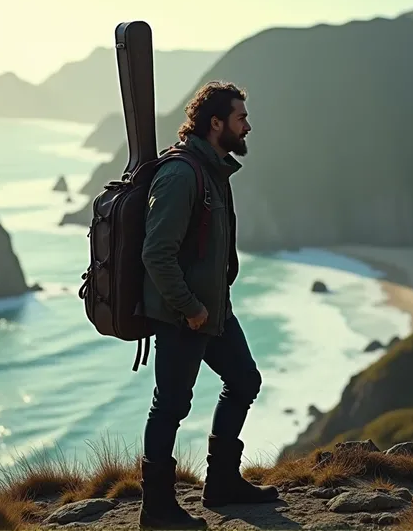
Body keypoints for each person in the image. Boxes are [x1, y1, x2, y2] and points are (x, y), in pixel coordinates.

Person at [138, 81, 279, 529]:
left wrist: (211, 306)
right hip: (185, 317)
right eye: (241, 118)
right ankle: (156, 509)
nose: (248, 126)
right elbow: (155, 253)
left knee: (244, 381)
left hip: (214, 311)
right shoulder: (182, 175)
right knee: (171, 405)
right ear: (215, 123)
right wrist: (191, 307)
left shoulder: (213, 168)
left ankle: (220, 484)